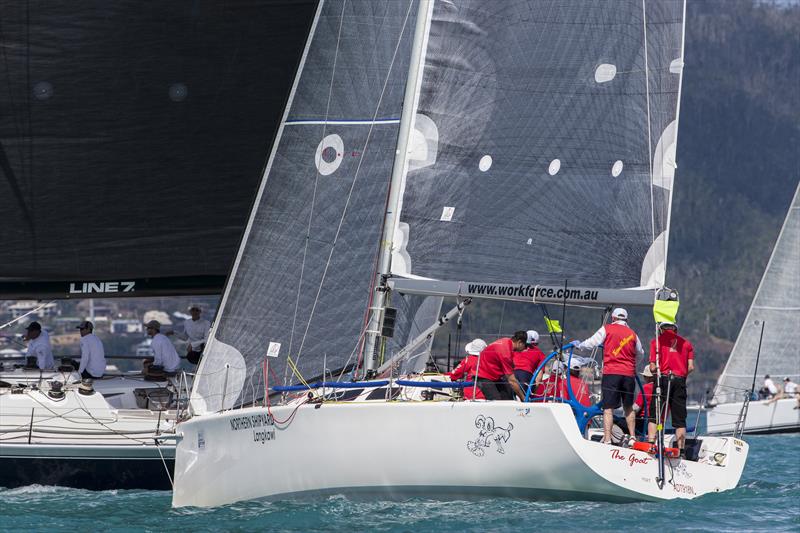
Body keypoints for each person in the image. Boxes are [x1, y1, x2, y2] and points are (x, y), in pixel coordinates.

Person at [571, 307, 643, 445]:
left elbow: (592, 343)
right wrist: (632, 366)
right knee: (628, 407)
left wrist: (579, 346)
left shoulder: (607, 329)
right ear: (626, 320)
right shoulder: (633, 334)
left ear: (614, 318)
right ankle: (633, 437)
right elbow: (640, 353)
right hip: (628, 375)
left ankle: (608, 439)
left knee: (608, 408)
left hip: (612, 374)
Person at [647, 321, 694, 457]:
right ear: (675, 329)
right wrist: (681, 374)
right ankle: (681, 451)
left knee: (655, 415)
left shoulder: (656, 342)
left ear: (661, 329)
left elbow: (652, 368)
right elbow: (690, 367)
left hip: (662, 379)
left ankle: (651, 445)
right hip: (679, 380)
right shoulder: (686, 344)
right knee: (680, 420)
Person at [475, 331, 528, 401]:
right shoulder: (506, 353)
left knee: (508, 400)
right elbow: (512, 381)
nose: (526, 349)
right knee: (497, 401)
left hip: (494, 376)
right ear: (519, 342)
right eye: (525, 346)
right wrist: (523, 398)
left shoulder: (506, 341)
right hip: (483, 376)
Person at [513, 330, 547, 394]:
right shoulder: (540, 353)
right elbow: (539, 375)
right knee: (526, 399)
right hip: (525, 375)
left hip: (510, 374)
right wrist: (533, 391)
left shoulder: (515, 348)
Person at [633, 365, 656, 436]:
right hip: (659, 423)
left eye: (644, 377)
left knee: (615, 423)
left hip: (643, 422)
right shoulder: (663, 389)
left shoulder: (646, 388)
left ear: (648, 378)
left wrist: (627, 414)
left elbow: (636, 408)